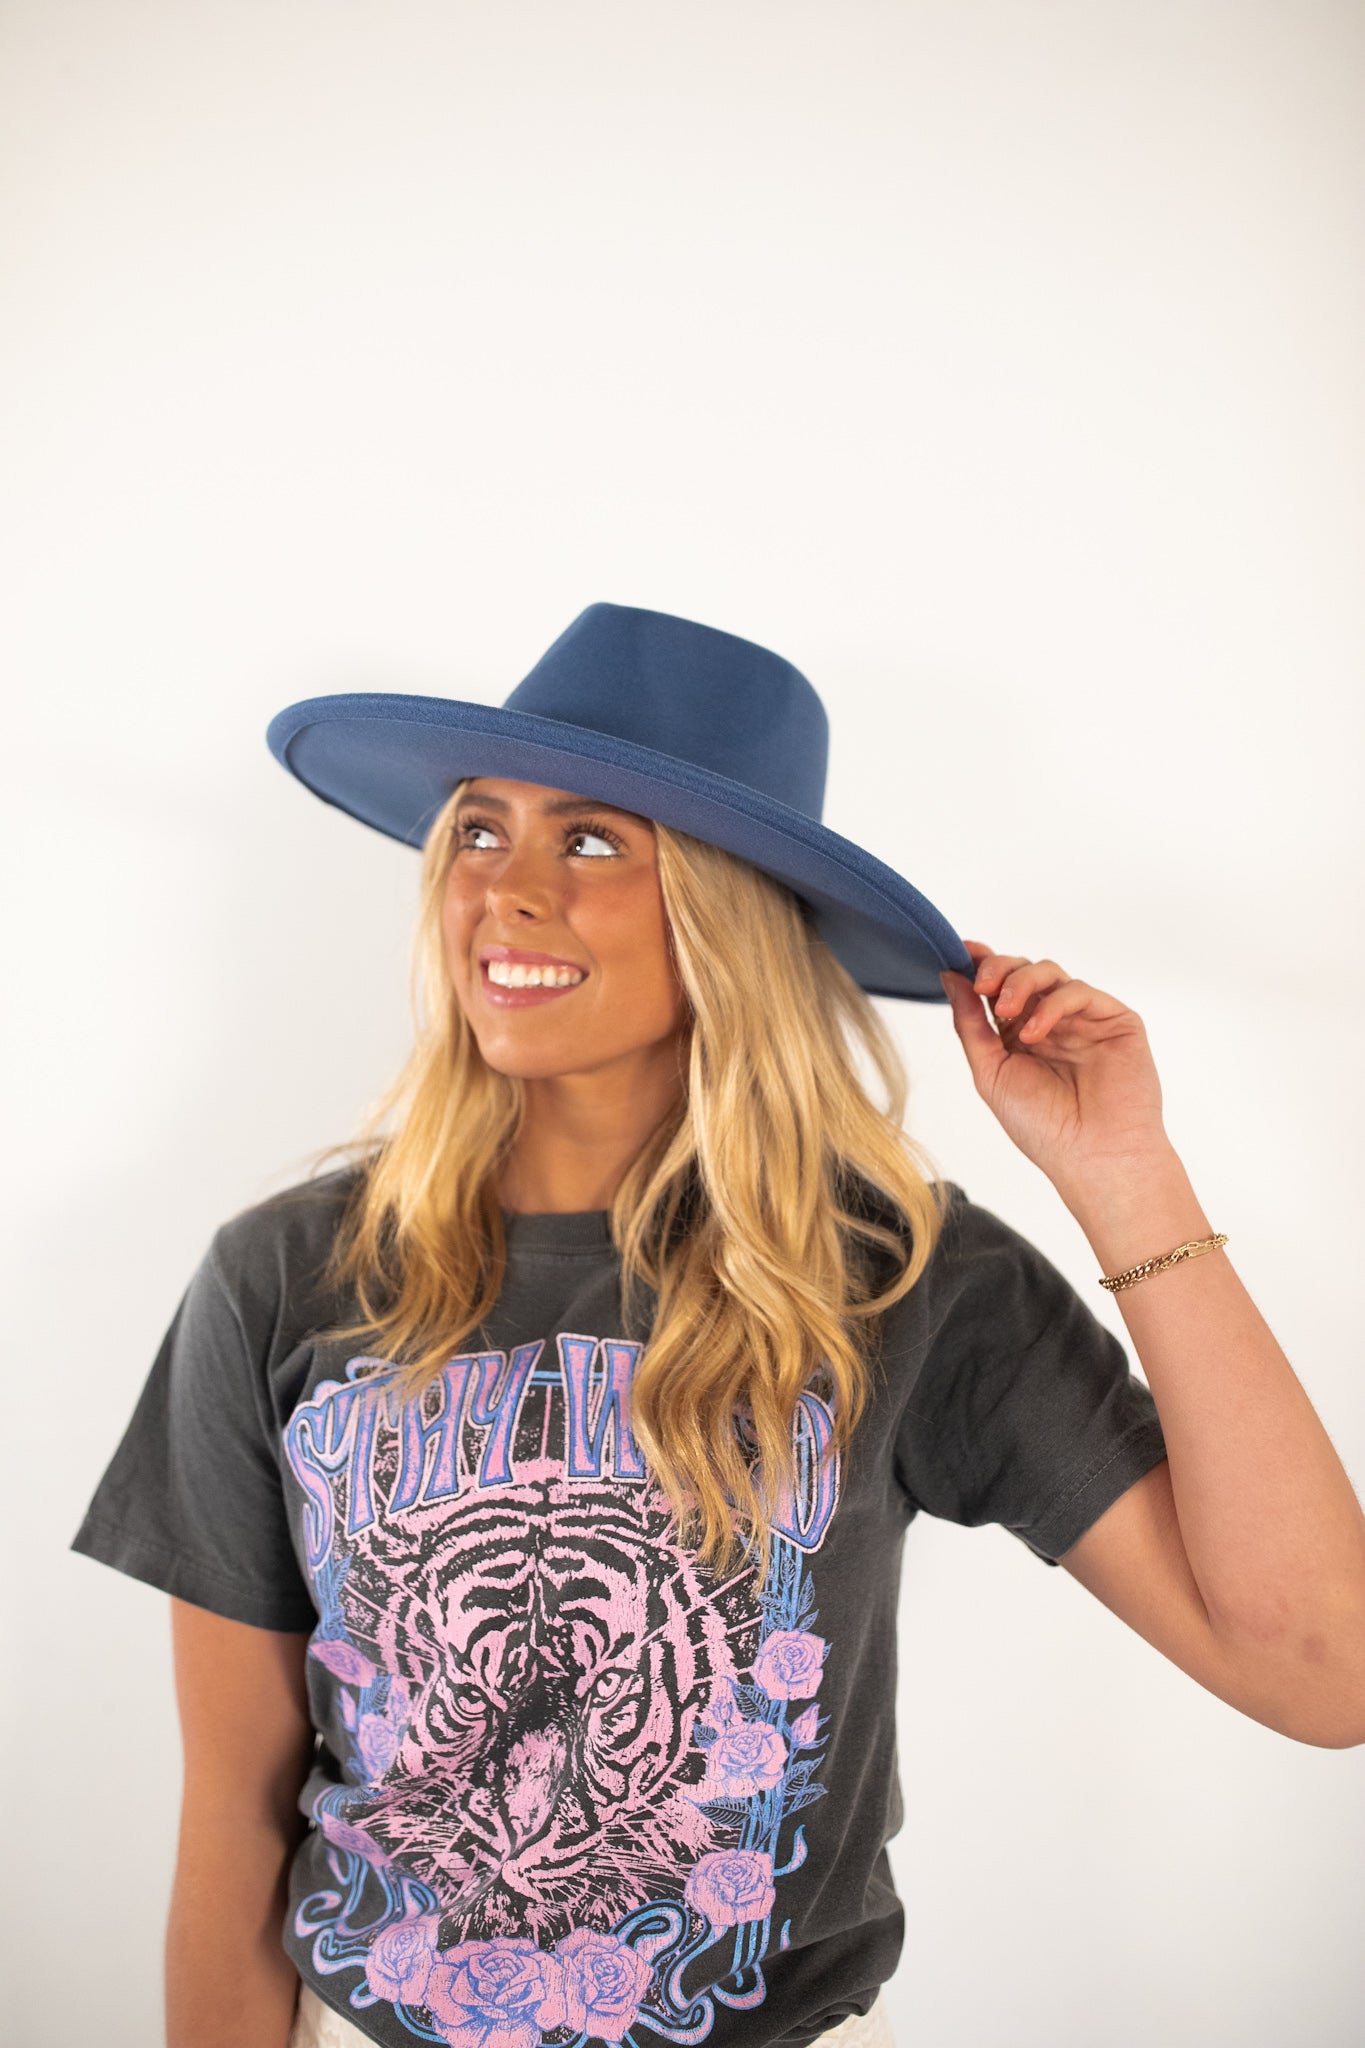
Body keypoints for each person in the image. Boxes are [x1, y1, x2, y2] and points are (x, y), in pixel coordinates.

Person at [71, 603, 1365, 2048]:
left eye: (591, 841)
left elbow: (1324, 1672)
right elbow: (234, 1815)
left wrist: (1125, 1176)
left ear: (727, 909)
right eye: (481, 830)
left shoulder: (903, 1278)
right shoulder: (286, 1275)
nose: (505, 890)